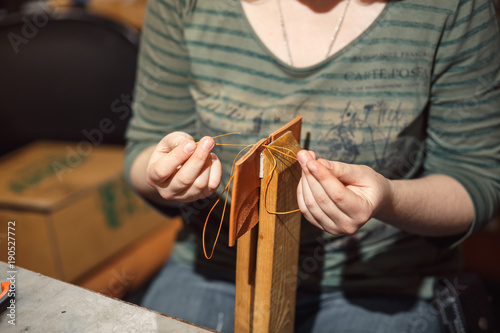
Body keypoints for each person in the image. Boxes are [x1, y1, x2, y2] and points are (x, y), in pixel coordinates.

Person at [124, 0, 500, 331]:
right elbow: (143, 149)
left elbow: (477, 183)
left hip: (381, 282)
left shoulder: (452, 8)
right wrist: (164, 173)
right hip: (216, 267)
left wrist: (386, 199)